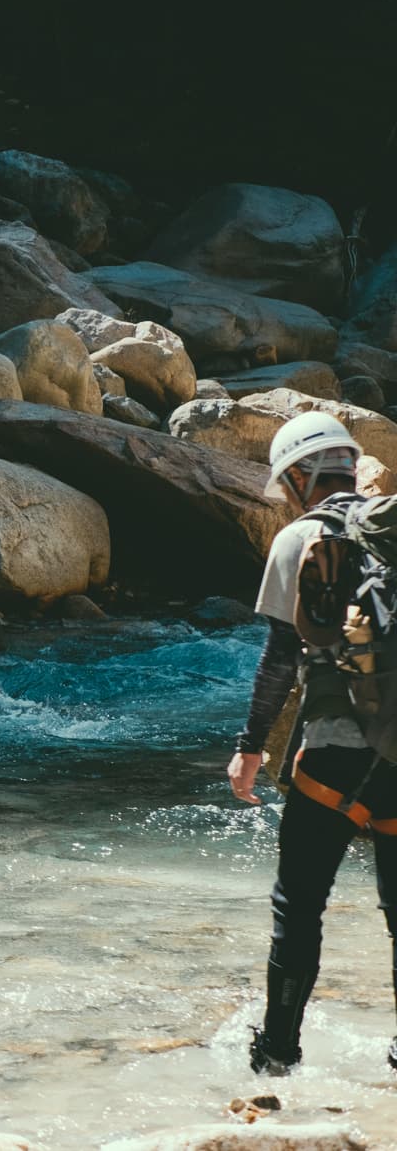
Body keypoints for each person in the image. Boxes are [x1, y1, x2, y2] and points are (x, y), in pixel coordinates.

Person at [228, 410, 397, 1074]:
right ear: (350, 465)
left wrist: (250, 746)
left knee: (298, 905)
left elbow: (278, 659)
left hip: (330, 754)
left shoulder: (300, 538)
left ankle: (277, 1055)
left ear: (299, 477)